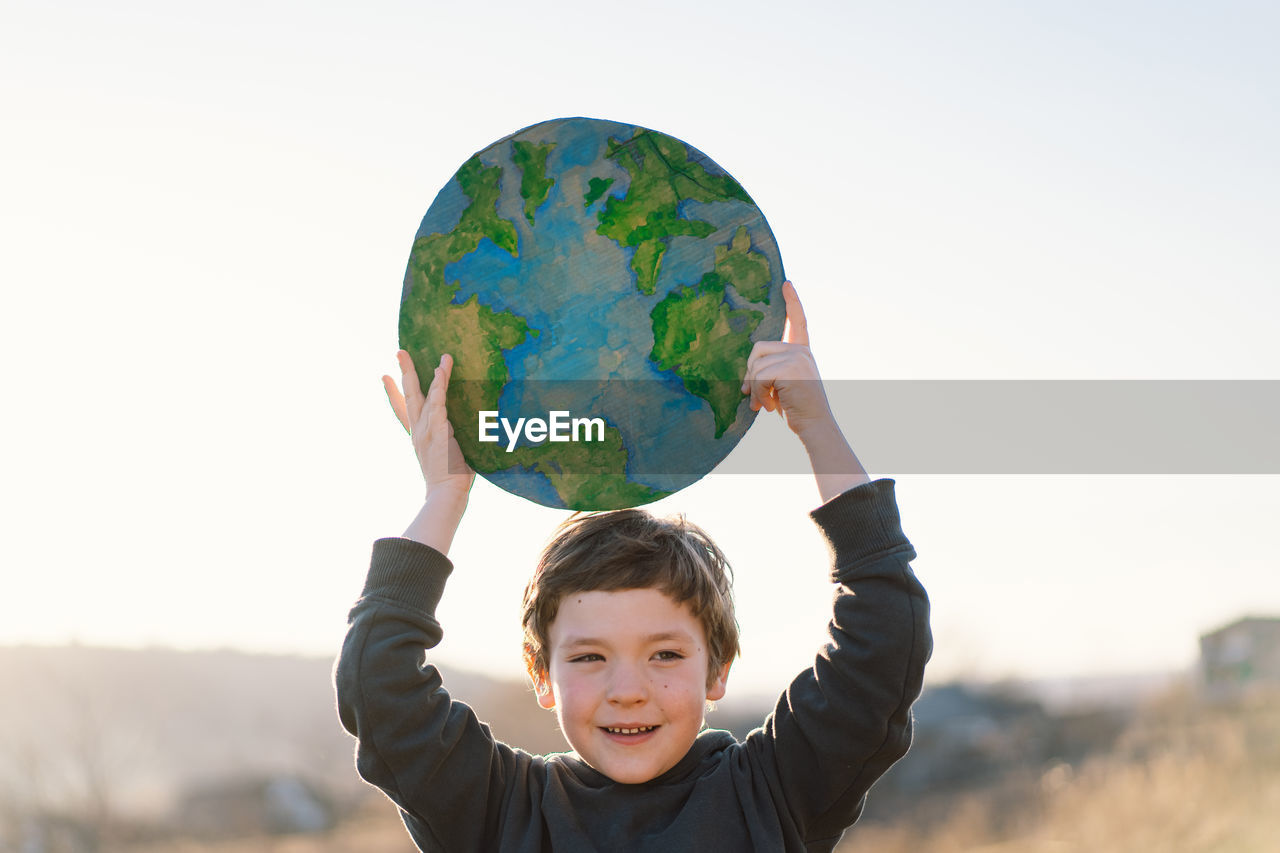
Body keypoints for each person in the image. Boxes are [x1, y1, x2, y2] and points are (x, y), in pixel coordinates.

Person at [335, 282, 931, 852]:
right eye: (589, 656)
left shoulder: (772, 790)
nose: (628, 692)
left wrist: (818, 428)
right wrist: (445, 495)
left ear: (717, 669)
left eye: (666, 654)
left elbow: (884, 640)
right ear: (541, 674)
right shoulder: (500, 810)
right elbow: (377, 687)